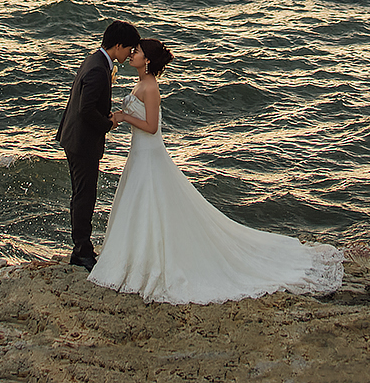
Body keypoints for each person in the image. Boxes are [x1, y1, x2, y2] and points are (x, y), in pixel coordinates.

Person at [89, 38, 344, 304]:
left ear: (148, 60)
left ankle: (150, 260)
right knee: (141, 205)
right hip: (139, 153)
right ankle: (138, 257)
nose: (132, 54)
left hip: (150, 153)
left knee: (150, 203)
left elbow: (152, 126)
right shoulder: (141, 82)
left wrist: (123, 116)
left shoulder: (150, 86)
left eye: (137, 52)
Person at [56, 19, 142, 270]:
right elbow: (86, 110)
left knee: (81, 194)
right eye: (129, 49)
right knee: (85, 196)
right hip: (82, 141)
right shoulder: (97, 69)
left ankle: (80, 247)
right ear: (118, 45)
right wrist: (109, 123)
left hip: (74, 137)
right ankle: (82, 251)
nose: (129, 55)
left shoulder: (95, 60)